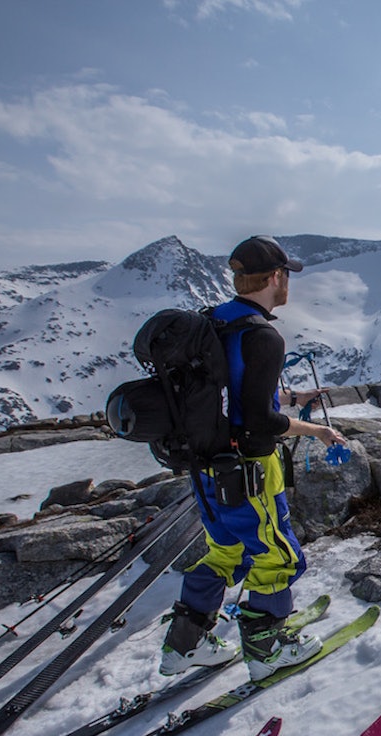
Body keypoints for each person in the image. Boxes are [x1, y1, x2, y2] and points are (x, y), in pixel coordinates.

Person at [159, 236, 347, 681]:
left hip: (205, 468)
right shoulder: (262, 335)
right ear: (277, 278)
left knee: (226, 553)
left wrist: (287, 396)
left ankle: (185, 647)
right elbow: (259, 423)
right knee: (278, 557)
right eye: (287, 276)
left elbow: (229, 396)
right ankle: (267, 651)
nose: (288, 286)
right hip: (248, 472)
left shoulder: (214, 324)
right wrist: (317, 429)